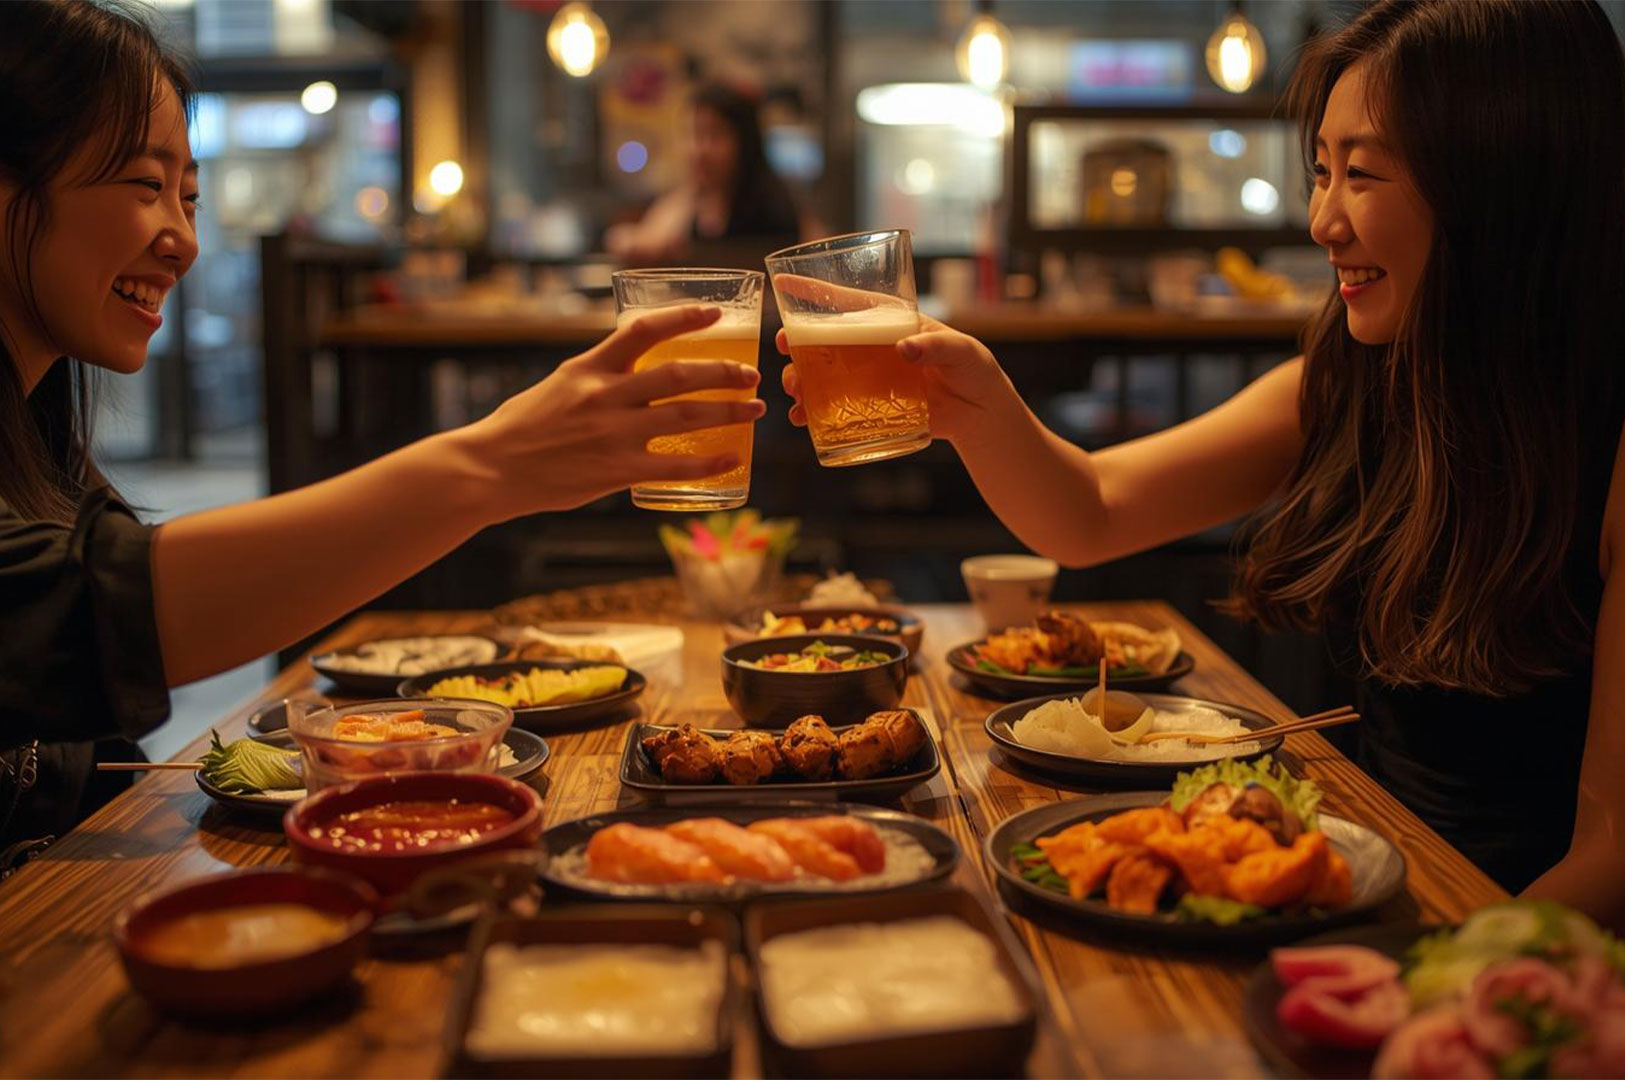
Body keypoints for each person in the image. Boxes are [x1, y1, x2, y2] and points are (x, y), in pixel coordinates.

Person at [783, 0, 1625, 918]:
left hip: (1505, 952)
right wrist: (974, 407)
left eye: (1363, 176)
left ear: (1500, 191)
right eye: (1319, 172)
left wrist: (1442, 983)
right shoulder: (1349, 383)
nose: (1321, 221)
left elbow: (1611, 854)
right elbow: (1092, 512)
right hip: (1345, 888)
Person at [0, 0, 764, 866]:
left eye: (190, 196)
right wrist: (491, 465)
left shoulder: (42, 443)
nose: (182, 240)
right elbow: (89, 617)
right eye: (145, 186)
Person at [606, 82, 812, 264]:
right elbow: (640, 239)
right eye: (693, 134)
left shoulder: (775, 205)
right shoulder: (690, 198)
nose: (698, 150)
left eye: (714, 135)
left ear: (745, 141)